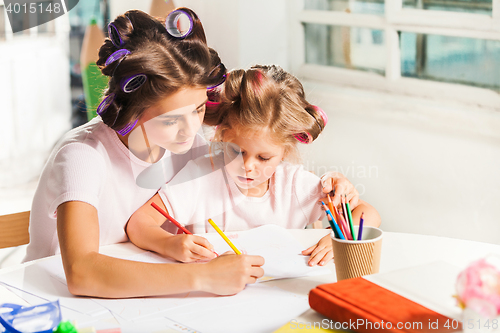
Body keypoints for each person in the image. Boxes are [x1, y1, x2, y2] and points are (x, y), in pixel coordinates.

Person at [23, 8, 266, 298]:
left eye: (198, 109)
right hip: (54, 303)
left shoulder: (186, 144)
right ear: (133, 111)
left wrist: (324, 188)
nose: (189, 130)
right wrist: (202, 276)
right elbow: (81, 272)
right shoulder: (82, 156)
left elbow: (250, 185)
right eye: (171, 119)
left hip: (139, 300)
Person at [127, 65, 381, 267]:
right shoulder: (201, 176)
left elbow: (367, 214)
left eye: (263, 158)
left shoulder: (292, 184)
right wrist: (169, 244)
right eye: (237, 151)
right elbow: (139, 223)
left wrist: (339, 239)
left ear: (284, 152)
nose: (247, 166)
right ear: (223, 135)